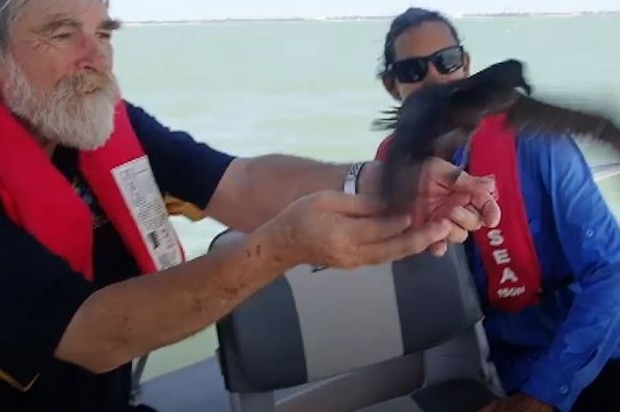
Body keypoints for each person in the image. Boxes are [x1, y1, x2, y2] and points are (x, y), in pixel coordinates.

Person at [0, 1, 502, 411]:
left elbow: (237, 181)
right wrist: (278, 251)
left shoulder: (99, 121)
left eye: (104, 34)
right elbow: (90, 335)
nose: (98, 57)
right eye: (63, 35)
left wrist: (377, 181)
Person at [374, 7, 620, 412]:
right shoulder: (392, 169)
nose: (435, 78)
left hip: (587, 358)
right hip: (497, 365)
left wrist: (541, 395)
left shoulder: (536, 141)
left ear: (466, 65)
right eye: (413, 71)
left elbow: (611, 273)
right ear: (391, 85)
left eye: (447, 62)